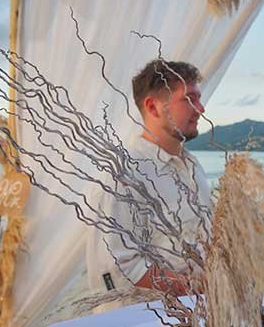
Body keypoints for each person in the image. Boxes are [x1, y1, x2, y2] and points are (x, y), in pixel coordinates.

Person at [87, 59, 212, 296]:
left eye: (198, 98)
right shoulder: (123, 173)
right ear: (153, 107)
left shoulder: (192, 165)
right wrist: (204, 286)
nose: (201, 108)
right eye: (188, 99)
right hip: (148, 316)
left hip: (199, 308)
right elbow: (120, 268)